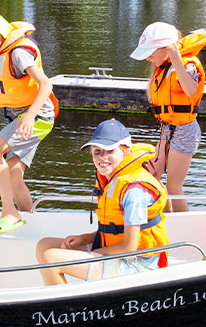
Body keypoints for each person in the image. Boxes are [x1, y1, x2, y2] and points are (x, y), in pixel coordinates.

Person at [36, 119, 168, 285]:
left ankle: (64, 309)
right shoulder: (112, 180)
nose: (103, 157)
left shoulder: (133, 191)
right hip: (116, 252)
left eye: (110, 151)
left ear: (126, 151)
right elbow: (115, 229)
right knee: (45, 245)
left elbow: (129, 247)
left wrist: (94, 254)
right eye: (97, 151)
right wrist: (85, 239)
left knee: (52, 258)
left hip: (136, 264)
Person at [0, 3, 58, 235]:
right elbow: (15, 82)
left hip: (38, 117)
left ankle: (9, 212)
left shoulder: (18, 52)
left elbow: (46, 84)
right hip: (24, 116)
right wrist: (6, 94)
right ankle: (32, 224)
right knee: (14, 175)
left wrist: (30, 115)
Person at [131, 22, 206, 212]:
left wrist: (176, 61)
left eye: (150, 53)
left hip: (185, 131)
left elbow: (191, 91)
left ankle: (184, 225)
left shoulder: (187, 65)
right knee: (151, 177)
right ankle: (166, 220)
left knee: (174, 186)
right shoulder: (163, 68)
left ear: (167, 48)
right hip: (168, 128)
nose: (148, 58)